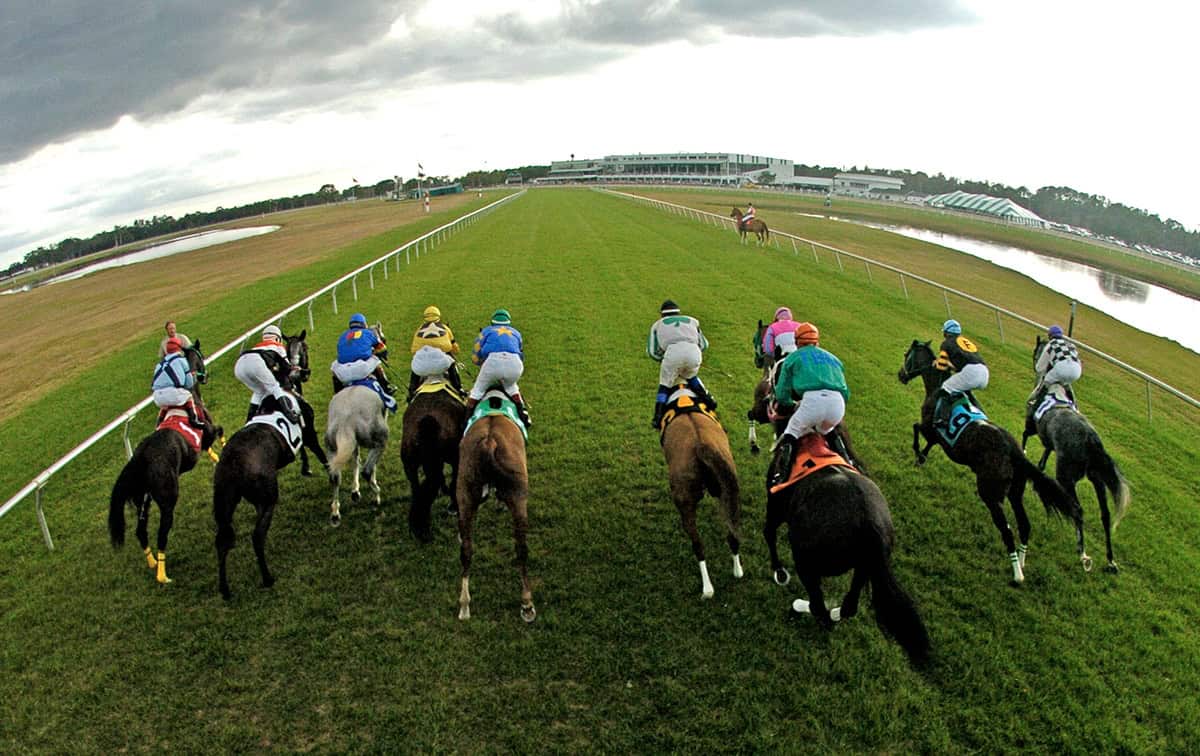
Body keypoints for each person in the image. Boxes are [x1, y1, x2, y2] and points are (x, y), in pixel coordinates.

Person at [768, 323, 850, 486]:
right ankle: (849, 462)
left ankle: (782, 474)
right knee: (829, 430)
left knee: (791, 432)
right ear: (817, 342)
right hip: (838, 404)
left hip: (812, 402)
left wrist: (789, 404)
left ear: (797, 342)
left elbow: (782, 392)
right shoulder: (834, 359)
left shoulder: (792, 358)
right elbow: (846, 392)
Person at [647, 299, 716, 430]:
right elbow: (704, 344)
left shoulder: (657, 325)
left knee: (665, 385)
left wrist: (663, 359)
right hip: (694, 353)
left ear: (662, 314)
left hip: (672, 355)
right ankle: (709, 400)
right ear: (678, 313)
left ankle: (657, 417)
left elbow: (651, 352)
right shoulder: (693, 321)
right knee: (690, 376)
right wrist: (693, 354)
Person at [469, 308, 531, 427]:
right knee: (512, 387)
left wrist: (479, 364)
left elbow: (476, 355)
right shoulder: (516, 333)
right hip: (515, 364)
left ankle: (465, 419)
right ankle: (524, 415)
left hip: (493, 363)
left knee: (477, 390)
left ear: (492, 322)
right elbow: (521, 353)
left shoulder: (486, 331)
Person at [233, 325, 300, 424]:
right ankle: (290, 415)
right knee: (275, 387)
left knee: (259, 391)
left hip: (238, 365)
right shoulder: (278, 346)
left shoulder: (258, 346)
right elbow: (286, 366)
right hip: (255, 362)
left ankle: (248, 420)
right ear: (278, 338)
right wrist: (292, 368)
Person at [933, 319, 989, 423]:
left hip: (971, 372)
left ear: (946, 332)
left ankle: (942, 419)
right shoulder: (965, 341)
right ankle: (982, 414)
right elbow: (961, 365)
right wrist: (951, 365)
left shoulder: (946, 343)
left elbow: (941, 366)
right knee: (965, 390)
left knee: (946, 387)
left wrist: (936, 363)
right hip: (984, 372)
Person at [150, 336, 208, 431]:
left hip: (157, 397)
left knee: (165, 405)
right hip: (173, 394)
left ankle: (158, 424)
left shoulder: (160, 363)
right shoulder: (182, 361)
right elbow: (189, 384)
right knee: (189, 396)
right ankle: (194, 420)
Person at [331, 313, 392, 396]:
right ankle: (386, 387)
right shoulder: (368, 333)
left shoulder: (343, 336)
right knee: (376, 359)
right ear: (363, 323)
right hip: (362, 369)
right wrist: (380, 354)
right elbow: (382, 349)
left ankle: (337, 393)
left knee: (334, 365)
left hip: (343, 373)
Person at [409, 305, 461, 399]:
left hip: (421, 366)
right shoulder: (445, 328)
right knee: (451, 363)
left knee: (414, 369)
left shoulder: (419, 330)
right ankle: (458, 388)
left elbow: (413, 350)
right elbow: (454, 348)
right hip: (441, 363)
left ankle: (411, 391)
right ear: (438, 317)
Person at [1030, 324, 1082, 407]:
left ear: (1050, 336)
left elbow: (1039, 368)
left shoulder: (1051, 344)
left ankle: (1035, 403)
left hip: (1061, 368)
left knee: (1046, 382)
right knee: (1066, 383)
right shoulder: (1071, 344)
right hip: (1077, 371)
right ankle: (1075, 405)